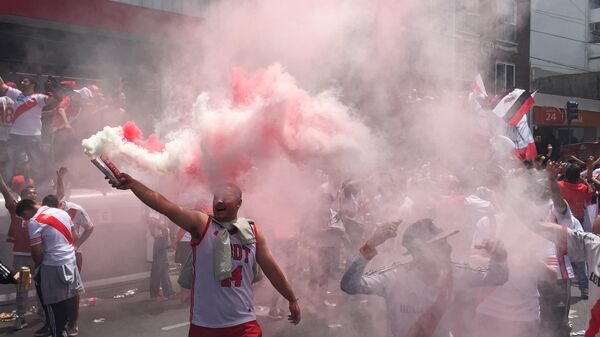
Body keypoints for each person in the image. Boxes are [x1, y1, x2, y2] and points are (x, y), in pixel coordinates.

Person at [109, 173, 301, 336]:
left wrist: (292, 298)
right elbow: (165, 206)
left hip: (244, 325)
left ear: (239, 203)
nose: (218, 201)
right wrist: (133, 185)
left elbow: (273, 270)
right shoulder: (203, 224)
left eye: (225, 197)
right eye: (216, 197)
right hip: (206, 326)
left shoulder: (251, 231)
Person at [340, 218, 509, 337]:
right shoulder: (394, 277)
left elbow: (498, 276)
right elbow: (349, 285)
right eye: (441, 243)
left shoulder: (456, 273)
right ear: (421, 251)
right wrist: (369, 246)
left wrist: (499, 254)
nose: (449, 248)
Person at [16, 198, 83, 337]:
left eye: (23, 217)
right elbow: (75, 236)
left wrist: (37, 268)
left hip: (52, 266)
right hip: (70, 263)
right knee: (67, 301)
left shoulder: (34, 222)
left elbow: (37, 251)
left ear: (27, 210)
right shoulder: (61, 213)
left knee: (52, 306)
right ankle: (65, 329)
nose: (25, 220)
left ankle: (57, 333)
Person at [44, 185, 94, 337]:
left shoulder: (74, 210)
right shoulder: (48, 211)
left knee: (72, 292)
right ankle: (59, 324)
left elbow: (90, 227)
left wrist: (77, 245)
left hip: (72, 256)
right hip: (54, 259)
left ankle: (73, 323)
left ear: (59, 205)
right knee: (57, 292)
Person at [0, 76, 59, 186]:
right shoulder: (16, 94)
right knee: (11, 162)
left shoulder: (39, 97)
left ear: (32, 84)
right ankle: (7, 186)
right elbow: (2, 85)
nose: (22, 82)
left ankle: (38, 186)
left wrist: (53, 90)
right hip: (15, 135)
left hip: (33, 136)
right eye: (22, 81)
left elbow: (51, 99)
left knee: (36, 163)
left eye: (25, 81)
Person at [0, 173, 37, 330]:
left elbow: (59, 197)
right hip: (21, 257)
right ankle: (20, 317)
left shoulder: (43, 208)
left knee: (43, 287)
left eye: (34, 192)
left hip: (39, 255)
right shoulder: (16, 208)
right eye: (28, 193)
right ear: (22, 197)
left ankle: (44, 314)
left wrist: (61, 179)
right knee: (22, 288)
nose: (32, 194)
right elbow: (6, 193)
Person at [147, 208, 176, 301]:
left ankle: (168, 292)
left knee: (164, 267)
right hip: (158, 239)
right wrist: (164, 228)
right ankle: (155, 295)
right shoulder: (154, 206)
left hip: (161, 238)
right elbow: (151, 220)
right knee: (158, 268)